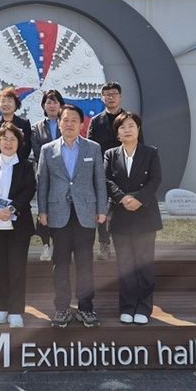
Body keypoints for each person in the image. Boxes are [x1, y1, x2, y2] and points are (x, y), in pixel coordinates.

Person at [37, 104, 108, 328]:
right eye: (65, 120)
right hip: (58, 214)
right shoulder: (47, 150)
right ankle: (62, 308)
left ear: (81, 124)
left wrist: (102, 210)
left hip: (85, 213)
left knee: (85, 264)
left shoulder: (93, 148)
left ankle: (86, 308)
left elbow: (99, 181)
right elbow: (43, 183)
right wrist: (42, 211)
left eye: (74, 120)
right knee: (60, 264)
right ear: (59, 123)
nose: (69, 124)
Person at [104, 112, 162, 326]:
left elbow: (156, 179)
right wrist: (122, 198)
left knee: (144, 264)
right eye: (122, 127)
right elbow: (106, 180)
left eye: (131, 125)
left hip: (144, 215)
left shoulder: (150, 152)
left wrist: (138, 199)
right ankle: (127, 307)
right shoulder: (110, 154)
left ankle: (144, 307)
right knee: (125, 264)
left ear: (138, 130)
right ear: (117, 133)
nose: (127, 130)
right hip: (120, 215)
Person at [0, 122, 36, 328]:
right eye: (5, 139)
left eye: (13, 139)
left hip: (18, 225)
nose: (8, 143)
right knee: (0, 269)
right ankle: (2, 308)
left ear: (19, 143)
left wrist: (11, 209)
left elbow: (29, 190)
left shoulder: (27, 166)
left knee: (17, 269)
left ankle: (16, 310)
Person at [87, 81, 126, 261]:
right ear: (102, 98)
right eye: (107, 94)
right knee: (101, 208)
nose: (111, 97)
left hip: (124, 171)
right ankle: (104, 244)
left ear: (120, 96)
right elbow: (90, 148)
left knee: (123, 208)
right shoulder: (96, 121)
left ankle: (123, 244)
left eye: (114, 94)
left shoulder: (128, 119)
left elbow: (138, 144)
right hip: (101, 172)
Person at [30, 89, 64, 261]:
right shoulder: (36, 128)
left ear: (61, 105)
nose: (52, 105)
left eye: (55, 102)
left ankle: (59, 245)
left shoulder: (66, 124)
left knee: (61, 210)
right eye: (48, 102)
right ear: (43, 105)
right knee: (43, 210)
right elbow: (38, 153)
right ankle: (45, 245)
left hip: (64, 176)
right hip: (44, 175)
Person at [0, 87, 32, 160]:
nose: (6, 104)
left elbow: (26, 147)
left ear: (16, 104)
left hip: (19, 163)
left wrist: (16, 161)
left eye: (9, 101)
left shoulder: (24, 124)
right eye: (3, 101)